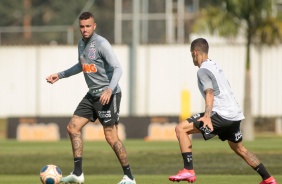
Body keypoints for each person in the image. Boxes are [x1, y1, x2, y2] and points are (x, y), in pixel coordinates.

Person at [168, 38, 277, 184]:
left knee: (180, 129)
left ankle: (188, 170)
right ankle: (268, 178)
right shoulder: (215, 65)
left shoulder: (202, 71)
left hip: (221, 114)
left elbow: (210, 93)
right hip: (235, 115)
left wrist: (207, 116)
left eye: (191, 55)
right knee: (239, 148)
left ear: (195, 53)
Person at [46, 12, 136, 184]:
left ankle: (129, 177)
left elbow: (118, 68)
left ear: (94, 26)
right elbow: (81, 65)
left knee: (111, 137)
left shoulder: (102, 44)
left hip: (109, 95)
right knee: (72, 127)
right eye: (82, 26)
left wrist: (109, 90)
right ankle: (78, 174)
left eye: (88, 26)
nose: (85, 29)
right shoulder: (81, 44)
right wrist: (60, 75)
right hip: (92, 94)